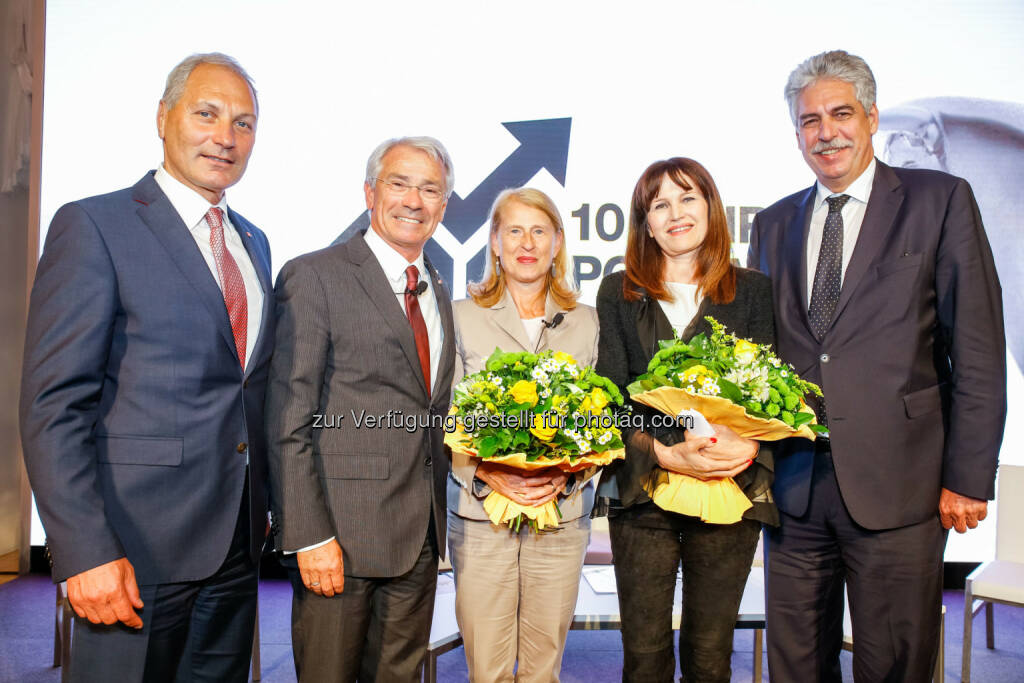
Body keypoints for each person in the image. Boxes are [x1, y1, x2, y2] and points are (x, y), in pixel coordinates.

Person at [747, 50, 1005, 682]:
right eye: (810, 120)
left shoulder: (938, 199)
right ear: (796, 134)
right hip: (796, 490)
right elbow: (761, 358)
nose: (826, 132)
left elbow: (976, 346)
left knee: (896, 663)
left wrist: (969, 476)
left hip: (902, 486)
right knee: (796, 665)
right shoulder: (775, 222)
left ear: (871, 117)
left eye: (841, 114)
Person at [19, 53, 272, 682]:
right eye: (207, 114)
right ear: (164, 117)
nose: (225, 137)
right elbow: (54, 403)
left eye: (243, 123)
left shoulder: (254, 240)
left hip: (235, 550)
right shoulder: (95, 225)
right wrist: (84, 551)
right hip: (133, 551)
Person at [266, 137, 457, 682]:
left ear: (444, 206)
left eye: (430, 189)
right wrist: (308, 534)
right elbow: (289, 417)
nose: (414, 201)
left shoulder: (436, 287)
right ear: (370, 192)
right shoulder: (316, 275)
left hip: (419, 538)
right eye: (400, 183)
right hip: (339, 542)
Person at [595, 157, 776, 683]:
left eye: (687, 198)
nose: (676, 213)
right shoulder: (617, 292)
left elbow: (770, 395)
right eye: (660, 204)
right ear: (645, 221)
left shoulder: (754, 291)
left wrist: (742, 444)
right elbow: (608, 398)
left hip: (727, 492)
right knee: (645, 655)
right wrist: (665, 454)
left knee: (710, 653)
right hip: (644, 494)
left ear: (711, 206)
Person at [447, 187, 599, 682]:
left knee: (543, 668)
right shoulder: (460, 316)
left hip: (560, 514)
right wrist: (487, 473)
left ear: (558, 242)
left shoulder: (588, 322)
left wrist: (567, 477)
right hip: (480, 516)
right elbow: (443, 414)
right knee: (487, 667)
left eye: (539, 231)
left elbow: (601, 420)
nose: (526, 243)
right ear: (494, 241)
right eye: (513, 230)